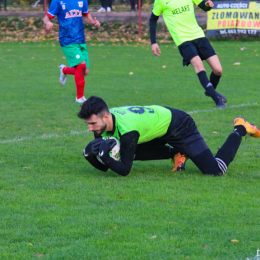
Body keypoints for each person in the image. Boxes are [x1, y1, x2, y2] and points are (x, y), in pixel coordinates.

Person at [78, 96, 260, 176]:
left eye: (93, 124)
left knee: (215, 171)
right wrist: (89, 155)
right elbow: (105, 168)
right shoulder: (103, 125)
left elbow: (124, 170)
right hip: (159, 126)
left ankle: (241, 128)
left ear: (106, 116)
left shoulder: (127, 131)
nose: (90, 129)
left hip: (180, 125)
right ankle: (177, 152)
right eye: (88, 124)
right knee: (129, 151)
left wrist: (104, 157)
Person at [149, 0, 227, 109]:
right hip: (182, 40)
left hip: (198, 35)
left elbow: (204, 6)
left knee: (218, 70)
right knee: (199, 66)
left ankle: (210, 91)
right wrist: (154, 42)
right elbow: (153, 19)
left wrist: (208, 5)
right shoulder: (161, 1)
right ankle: (218, 101)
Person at [43, 0, 100, 103]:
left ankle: (64, 70)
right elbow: (46, 17)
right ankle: (79, 97)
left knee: (84, 71)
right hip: (67, 40)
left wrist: (93, 22)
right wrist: (48, 23)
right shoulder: (58, 1)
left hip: (80, 39)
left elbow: (86, 16)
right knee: (81, 66)